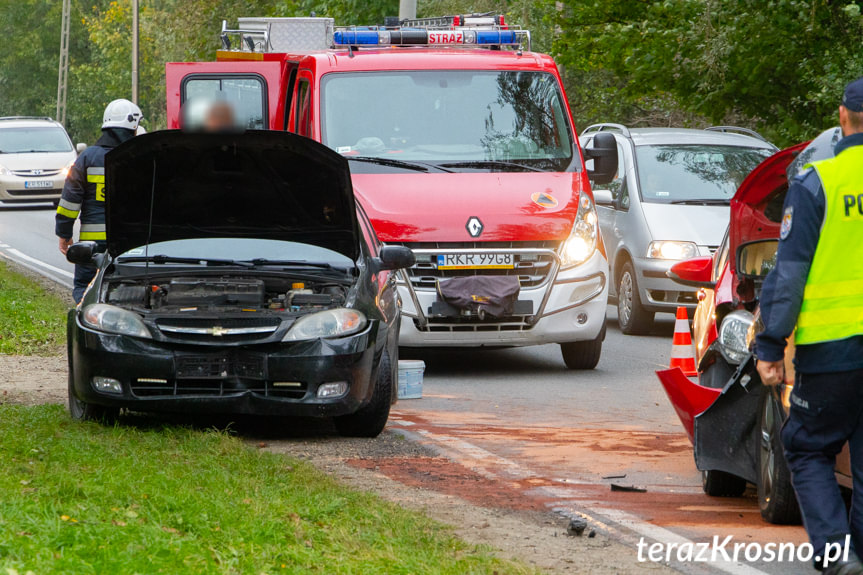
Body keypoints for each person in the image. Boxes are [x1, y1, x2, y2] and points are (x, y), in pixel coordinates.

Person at [756, 77, 863, 575]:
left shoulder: (820, 181)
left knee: (805, 445)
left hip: (833, 352)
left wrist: (770, 344)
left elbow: (790, 272)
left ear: (842, 118)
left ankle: (839, 558)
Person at [56, 99, 142, 303]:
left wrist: (64, 233)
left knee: (84, 288)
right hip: (130, 242)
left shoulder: (87, 157)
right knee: (130, 288)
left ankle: (88, 324)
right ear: (132, 127)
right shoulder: (138, 157)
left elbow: (70, 201)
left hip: (92, 245)